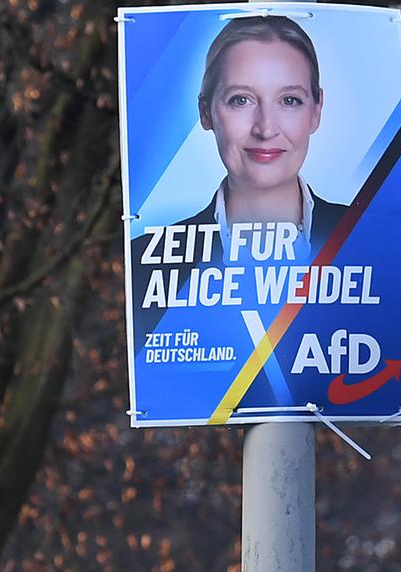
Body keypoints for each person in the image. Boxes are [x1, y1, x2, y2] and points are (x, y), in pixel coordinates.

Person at [129, 15, 348, 342]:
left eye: (290, 100)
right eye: (241, 100)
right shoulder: (145, 262)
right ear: (206, 112)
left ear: (316, 109)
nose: (266, 128)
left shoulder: (367, 240)